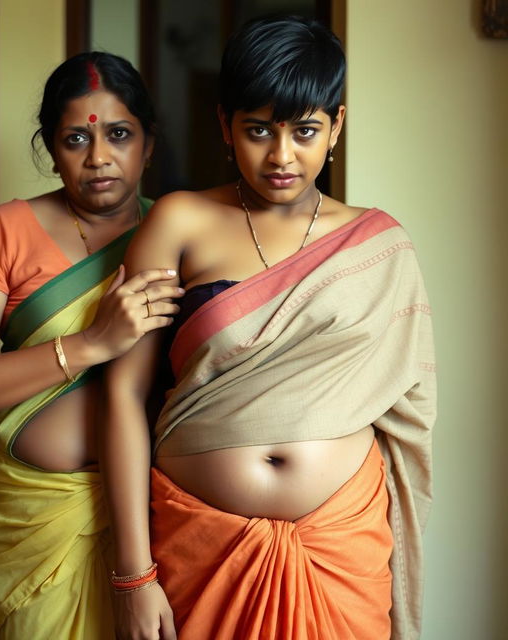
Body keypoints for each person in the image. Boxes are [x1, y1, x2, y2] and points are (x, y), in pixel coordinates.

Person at [102, 15, 436, 640]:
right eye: (258, 130)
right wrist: (133, 575)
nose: (282, 157)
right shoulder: (180, 221)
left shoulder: (378, 244)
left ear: (337, 126)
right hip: (202, 542)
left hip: (338, 548)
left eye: (305, 131)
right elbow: (121, 395)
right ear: (224, 125)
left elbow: (406, 408)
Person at [0, 51, 184, 640]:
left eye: (119, 134)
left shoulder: (179, 234)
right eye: (75, 138)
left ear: (149, 144)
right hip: (38, 525)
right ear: (52, 150)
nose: (99, 156)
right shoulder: (6, 230)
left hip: (157, 522)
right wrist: (89, 345)